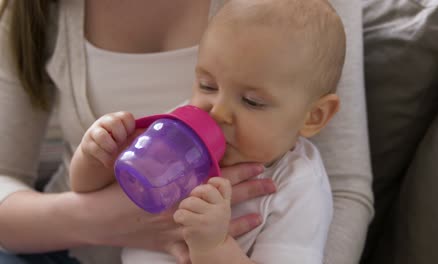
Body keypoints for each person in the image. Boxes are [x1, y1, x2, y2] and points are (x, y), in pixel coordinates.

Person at [0, 0, 373, 264]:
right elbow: (85, 188)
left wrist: (212, 246)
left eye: (253, 102)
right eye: (206, 87)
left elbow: (346, 191)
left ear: (314, 116)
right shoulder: (175, 130)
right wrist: (95, 154)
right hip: (53, 248)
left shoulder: (294, 186)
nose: (217, 112)